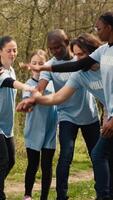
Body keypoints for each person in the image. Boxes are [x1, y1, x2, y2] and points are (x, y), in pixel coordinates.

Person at [19, 12, 113, 200]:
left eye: (99, 28)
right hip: (72, 117)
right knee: (89, 154)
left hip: (94, 117)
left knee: (100, 155)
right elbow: (57, 96)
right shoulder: (93, 61)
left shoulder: (103, 59)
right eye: (51, 49)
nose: (54, 51)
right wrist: (34, 98)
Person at [0, 35, 35, 200]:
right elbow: (8, 82)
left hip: (8, 126)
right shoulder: (1, 70)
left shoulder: (12, 70)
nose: (13, 53)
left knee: (11, 161)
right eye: (9, 50)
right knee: (3, 160)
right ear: (0, 52)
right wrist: (28, 87)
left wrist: (24, 104)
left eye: (14, 50)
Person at [22, 50, 57, 200]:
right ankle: (27, 195)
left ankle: (44, 197)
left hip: (50, 131)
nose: (37, 66)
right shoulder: (27, 85)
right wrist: (28, 104)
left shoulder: (54, 83)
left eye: (41, 63)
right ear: (30, 66)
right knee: (33, 164)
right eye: (34, 63)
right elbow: (27, 105)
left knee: (47, 166)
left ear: (46, 66)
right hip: (33, 131)